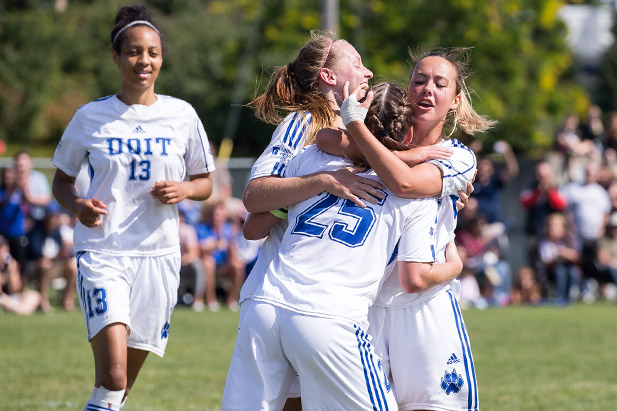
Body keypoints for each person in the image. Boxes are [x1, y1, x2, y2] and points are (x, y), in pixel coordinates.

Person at [222, 82, 463, 410]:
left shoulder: (311, 156)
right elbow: (414, 275)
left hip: (265, 304)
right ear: (408, 135)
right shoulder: (416, 192)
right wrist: (456, 263)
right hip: (328, 315)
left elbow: (254, 226)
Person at [50, 5, 214, 411]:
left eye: (153, 53)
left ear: (162, 57)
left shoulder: (182, 115)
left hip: (159, 256)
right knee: (114, 376)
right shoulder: (90, 116)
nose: (145, 61)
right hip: (104, 251)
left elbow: (206, 183)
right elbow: (61, 181)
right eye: (134, 52)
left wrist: (184, 190)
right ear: (117, 57)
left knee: (115, 391)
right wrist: (78, 206)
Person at [327, 47, 493, 410]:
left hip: (423, 309)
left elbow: (405, 184)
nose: (426, 89)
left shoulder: (458, 156)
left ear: (455, 100)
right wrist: (369, 141)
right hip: (364, 306)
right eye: (419, 80)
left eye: (439, 83)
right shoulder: (378, 142)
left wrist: (454, 267)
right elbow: (326, 138)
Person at [236, 31, 382, 410]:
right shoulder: (305, 122)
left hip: (318, 300)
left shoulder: (361, 128)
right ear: (329, 76)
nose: (368, 71)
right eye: (356, 62)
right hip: (283, 292)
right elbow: (255, 199)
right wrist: (324, 181)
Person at [537, 213, 581, 304]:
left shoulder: (567, 241)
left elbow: (575, 256)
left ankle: (569, 297)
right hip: (550, 272)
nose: (552, 229)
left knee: (572, 271)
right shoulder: (545, 243)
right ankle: (560, 298)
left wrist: (563, 252)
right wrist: (557, 257)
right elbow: (546, 261)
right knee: (560, 271)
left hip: (568, 269)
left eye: (556, 226)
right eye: (551, 226)